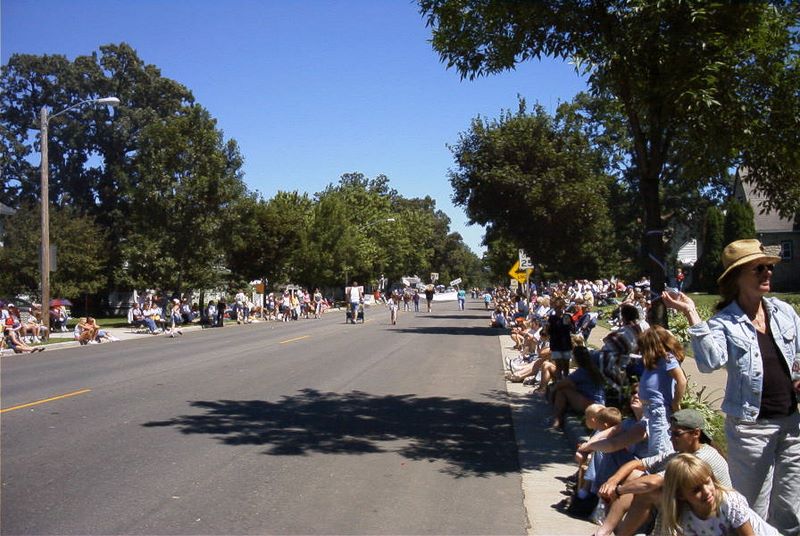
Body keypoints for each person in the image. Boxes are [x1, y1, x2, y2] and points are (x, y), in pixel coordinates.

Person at [662, 239, 800, 535]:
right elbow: (710, 362)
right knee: (751, 508)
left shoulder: (783, 312)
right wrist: (692, 314)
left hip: (791, 424)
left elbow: (799, 352)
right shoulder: (726, 322)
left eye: (768, 268)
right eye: (758, 269)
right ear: (737, 278)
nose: (767, 274)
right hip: (751, 429)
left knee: (790, 509)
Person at [596, 409, 731, 536]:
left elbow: (654, 482)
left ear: (696, 434)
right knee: (635, 476)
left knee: (648, 491)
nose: (671, 438)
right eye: (670, 432)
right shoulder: (679, 452)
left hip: (711, 511)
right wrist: (612, 481)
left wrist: (618, 491)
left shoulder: (702, 457)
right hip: (693, 501)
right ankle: (603, 532)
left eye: (677, 434)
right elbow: (638, 463)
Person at [661, 454, 780, 536]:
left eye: (707, 482)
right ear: (681, 495)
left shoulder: (729, 502)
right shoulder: (686, 519)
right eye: (696, 490)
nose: (706, 491)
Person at [637, 326, 687, 456]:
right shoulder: (655, 361)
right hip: (650, 409)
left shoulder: (667, 358)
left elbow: (681, 380)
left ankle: (661, 471)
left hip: (659, 409)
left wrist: (676, 402)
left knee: (659, 448)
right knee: (653, 444)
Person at [550, 345, 605, 429]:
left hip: (592, 405)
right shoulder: (594, 369)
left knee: (561, 391)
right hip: (599, 403)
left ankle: (557, 419)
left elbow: (561, 384)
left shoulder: (582, 371)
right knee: (568, 388)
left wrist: (552, 392)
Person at [545, 297, 574, 381]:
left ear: (563, 307)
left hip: (565, 344)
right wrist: (547, 327)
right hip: (556, 344)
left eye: (560, 308)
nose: (558, 310)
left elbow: (572, 330)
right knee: (558, 366)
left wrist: (568, 323)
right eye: (556, 308)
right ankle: (558, 382)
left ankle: (565, 382)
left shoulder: (566, 317)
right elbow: (548, 332)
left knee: (566, 366)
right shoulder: (552, 318)